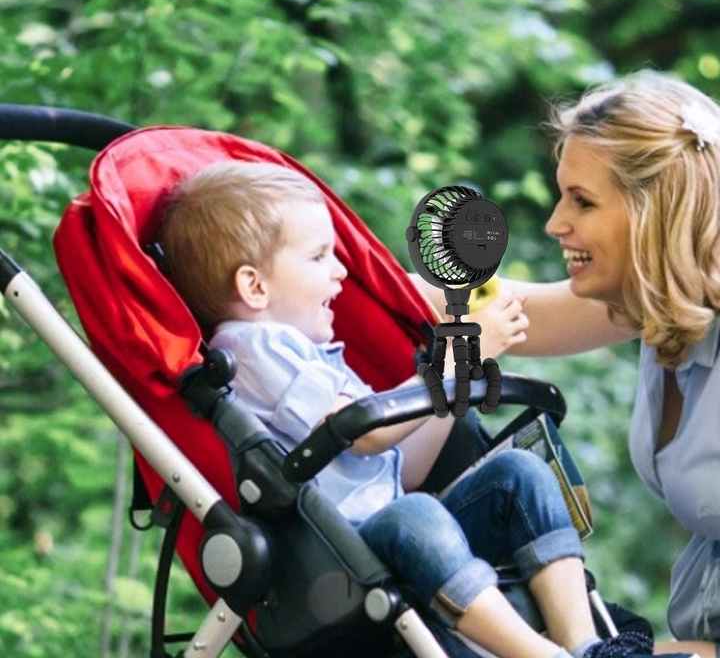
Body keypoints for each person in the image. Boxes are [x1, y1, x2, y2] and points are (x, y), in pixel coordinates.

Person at [157, 159, 656, 658]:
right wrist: (459, 358)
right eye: (318, 256)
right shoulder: (253, 348)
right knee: (416, 514)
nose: (340, 271)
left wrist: (456, 377)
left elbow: (401, 461)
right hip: (340, 563)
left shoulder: (307, 356)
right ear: (254, 287)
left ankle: (586, 645)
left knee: (519, 473)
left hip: (394, 541)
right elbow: (365, 433)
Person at [422, 70, 720, 658]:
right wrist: (335, 276)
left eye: (582, 201)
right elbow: (503, 308)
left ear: (656, 211)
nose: (556, 223)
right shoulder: (653, 301)